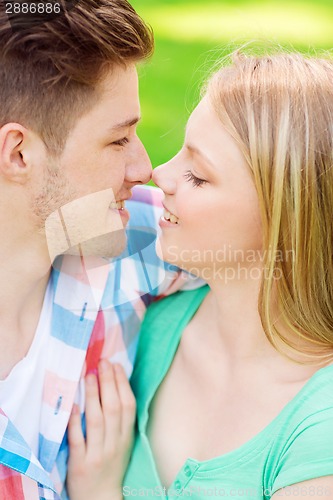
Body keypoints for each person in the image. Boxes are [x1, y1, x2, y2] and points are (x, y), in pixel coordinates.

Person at [0, 1, 200, 499]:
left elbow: (287, 239)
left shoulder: (134, 238)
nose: (144, 167)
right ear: (19, 153)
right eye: (118, 141)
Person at [120, 51, 333, 498]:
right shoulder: (148, 327)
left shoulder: (320, 425)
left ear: (284, 218)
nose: (160, 174)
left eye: (197, 175)